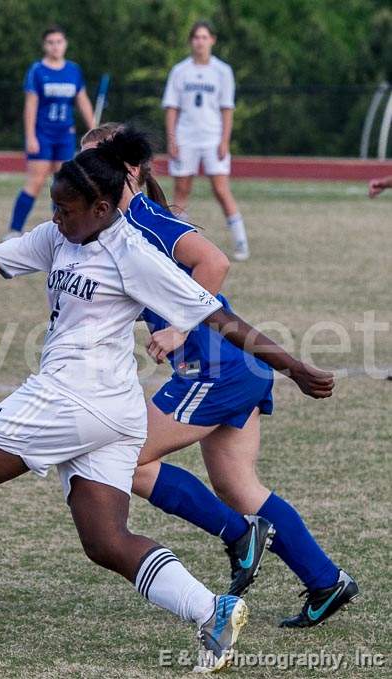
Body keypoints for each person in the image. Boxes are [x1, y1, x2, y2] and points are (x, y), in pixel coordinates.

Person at [0, 130, 334, 672]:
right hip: (111, 410)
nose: (56, 216)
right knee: (105, 541)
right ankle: (214, 611)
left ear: (103, 207)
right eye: (54, 206)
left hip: (71, 398)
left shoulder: (133, 252)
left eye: (66, 209)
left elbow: (219, 316)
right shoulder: (61, 236)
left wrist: (292, 367)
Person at [80, 123, 359, 628]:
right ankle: (326, 580)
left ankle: (238, 534)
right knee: (241, 486)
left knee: (128, 459)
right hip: (235, 366)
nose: (81, 173)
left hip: (214, 369)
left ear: (125, 171)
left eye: (90, 162)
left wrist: (179, 329)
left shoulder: (144, 220)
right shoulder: (118, 224)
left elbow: (214, 261)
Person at [163, 21, 249, 261]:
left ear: (212, 40)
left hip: (212, 137)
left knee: (221, 189)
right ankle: (177, 243)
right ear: (191, 41)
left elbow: (227, 108)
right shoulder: (180, 70)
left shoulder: (222, 71)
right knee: (182, 189)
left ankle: (241, 241)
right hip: (186, 137)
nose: (200, 42)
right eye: (196, 37)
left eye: (204, 37)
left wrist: (224, 140)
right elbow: (171, 107)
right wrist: (172, 139)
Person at [5, 25, 95, 240]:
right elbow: (31, 105)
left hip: (64, 135)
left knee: (63, 185)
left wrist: (94, 131)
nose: (55, 46)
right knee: (35, 183)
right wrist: (30, 136)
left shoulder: (73, 70)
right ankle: (14, 230)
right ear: (44, 45)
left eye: (59, 42)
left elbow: (82, 101)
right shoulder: (37, 71)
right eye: (51, 42)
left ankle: (60, 229)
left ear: (65, 44)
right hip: (42, 134)